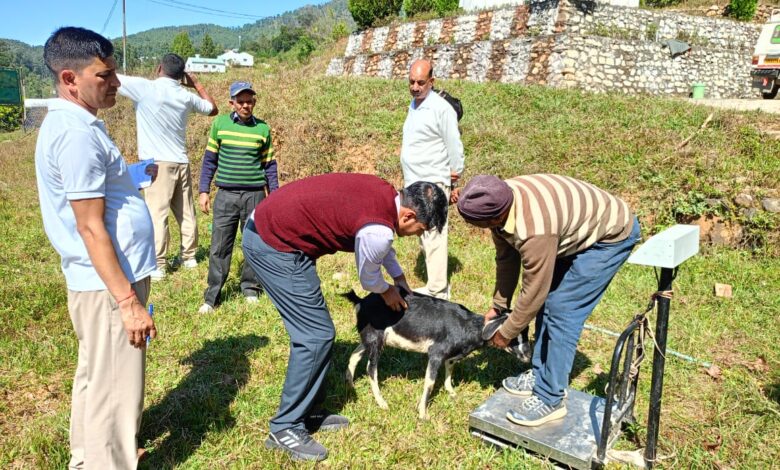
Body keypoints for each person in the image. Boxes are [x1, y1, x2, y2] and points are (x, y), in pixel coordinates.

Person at [242, 173, 447, 461]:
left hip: (278, 231)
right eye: (421, 229)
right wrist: (388, 290)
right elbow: (369, 276)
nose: (418, 236)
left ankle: (309, 412)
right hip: (272, 244)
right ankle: (285, 427)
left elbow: (380, 243)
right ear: (410, 215)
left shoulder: (386, 196)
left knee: (319, 333)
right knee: (314, 336)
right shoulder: (380, 230)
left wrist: (399, 277)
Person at [34, 27, 157, 469]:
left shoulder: (78, 124)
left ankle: (88, 456)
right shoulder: (77, 133)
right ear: (70, 78)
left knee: (96, 377)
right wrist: (127, 301)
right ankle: (111, 460)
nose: (116, 83)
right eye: (104, 75)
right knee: (117, 387)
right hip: (109, 283)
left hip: (103, 279)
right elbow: (90, 228)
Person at [456, 174, 641, 427]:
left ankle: (550, 397)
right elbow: (507, 258)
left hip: (607, 237)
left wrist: (507, 332)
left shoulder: (535, 229)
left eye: (479, 225)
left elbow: (534, 292)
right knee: (548, 304)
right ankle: (541, 372)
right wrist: (498, 305)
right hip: (568, 230)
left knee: (562, 310)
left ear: (497, 217)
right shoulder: (498, 198)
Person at [117, 53, 218, 281]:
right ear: (182, 75)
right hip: (181, 160)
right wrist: (196, 84)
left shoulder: (144, 88)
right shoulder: (186, 96)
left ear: (158, 68)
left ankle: (159, 264)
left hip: (156, 164)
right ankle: (189, 257)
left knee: (157, 213)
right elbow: (212, 109)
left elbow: (113, 77)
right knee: (186, 212)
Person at [197, 81, 277, 314]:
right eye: (240, 101)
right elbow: (209, 160)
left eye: (249, 101)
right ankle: (212, 295)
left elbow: (270, 165)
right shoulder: (219, 125)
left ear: (254, 102)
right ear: (231, 103)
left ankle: (250, 288)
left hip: (255, 196)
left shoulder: (263, 129)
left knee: (254, 244)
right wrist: (204, 190)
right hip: (226, 195)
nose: (245, 105)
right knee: (220, 246)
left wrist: (274, 195)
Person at [400, 59, 464, 300]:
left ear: (432, 82)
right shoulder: (414, 104)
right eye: (411, 82)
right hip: (414, 181)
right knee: (422, 232)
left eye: (421, 82)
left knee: (435, 233)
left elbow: (454, 146)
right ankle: (433, 284)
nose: (415, 87)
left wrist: (454, 178)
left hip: (433, 182)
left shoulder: (442, 109)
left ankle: (437, 291)